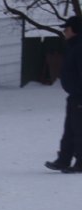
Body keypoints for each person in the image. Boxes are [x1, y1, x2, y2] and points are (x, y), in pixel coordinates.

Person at [46, 16, 82, 173]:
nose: (64, 32)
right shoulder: (74, 46)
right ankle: (63, 160)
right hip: (74, 95)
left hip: (80, 96)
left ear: (75, 30)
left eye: (66, 29)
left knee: (79, 130)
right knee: (69, 130)